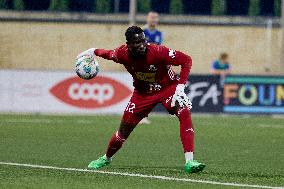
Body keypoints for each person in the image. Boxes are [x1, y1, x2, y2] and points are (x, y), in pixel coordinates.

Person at [77, 26, 205, 173]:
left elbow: (186, 60)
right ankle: (106, 158)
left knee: (184, 112)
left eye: (143, 40)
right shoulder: (122, 54)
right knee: (122, 132)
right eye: (137, 42)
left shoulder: (158, 51)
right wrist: (92, 51)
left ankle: (190, 161)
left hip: (167, 89)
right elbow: (107, 54)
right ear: (129, 44)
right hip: (142, 94)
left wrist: (180, 87)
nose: (142, 44)